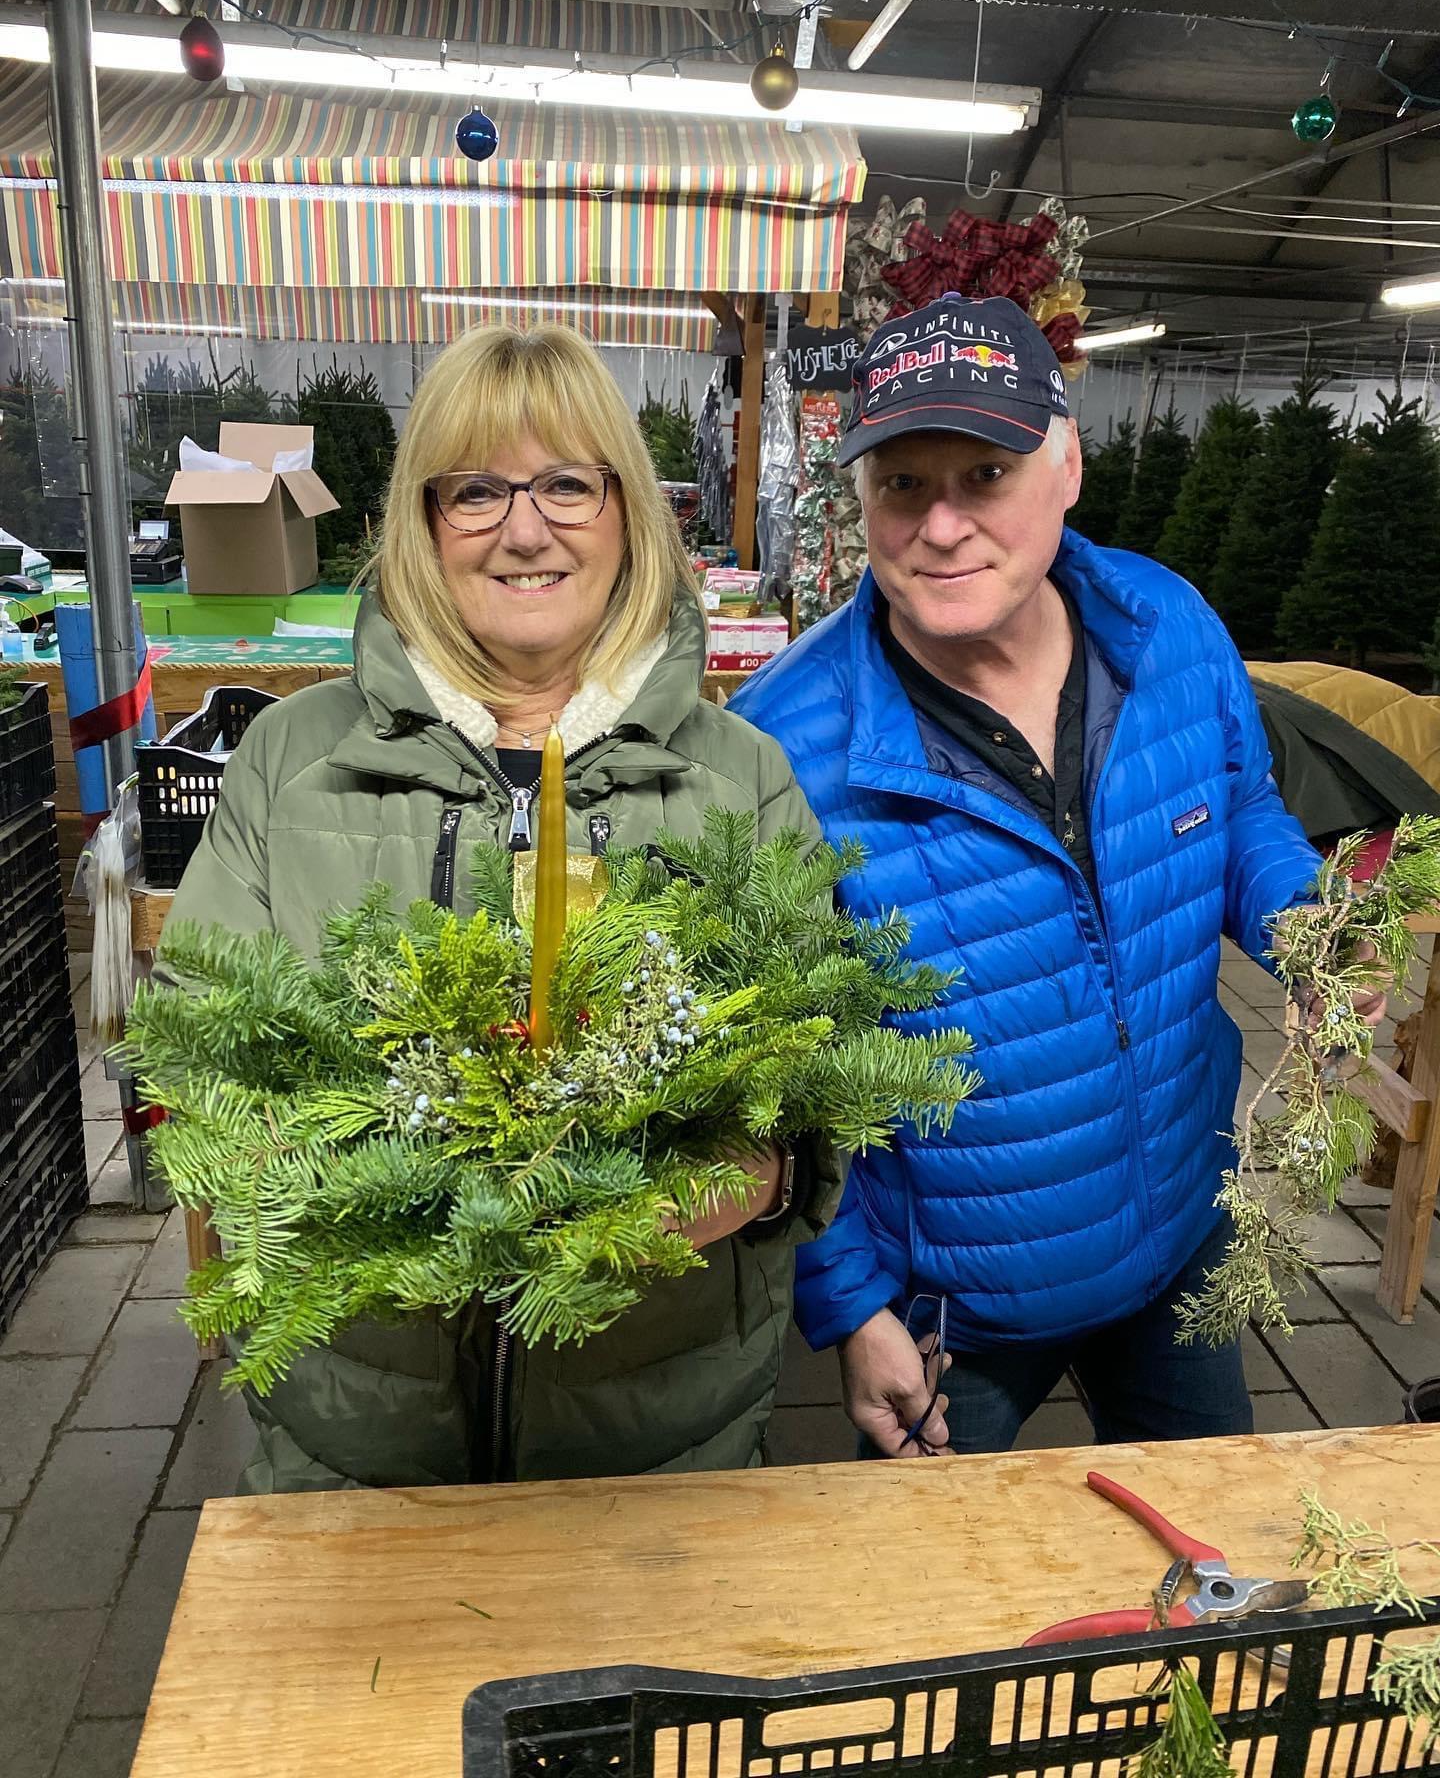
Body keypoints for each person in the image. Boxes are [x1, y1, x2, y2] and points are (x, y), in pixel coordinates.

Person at [165, 322, 842, 1492]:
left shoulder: (742, 777)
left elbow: (825, 1076)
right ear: (423, 525)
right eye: (476, 489)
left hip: (658, 1432)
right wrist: (298, 1179)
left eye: (568, 485)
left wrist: (763, 1170)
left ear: (629, 510)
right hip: (360, 1429)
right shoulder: (291, 763)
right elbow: (191, 1045)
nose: (525, 529)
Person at [731, 293, 1386, 1458]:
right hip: (955, 1312)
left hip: (1183, 1234)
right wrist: (850, 1308)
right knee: (951, 1612)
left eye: (985, 475)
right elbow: (774, 1074)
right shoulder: (787, 752)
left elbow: (1237, 808)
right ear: (863, 495)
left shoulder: (1167, 627)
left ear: (1067, 459)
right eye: (901, 484)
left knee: (1212, 1551)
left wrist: (1302, 922)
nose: (941, 525)